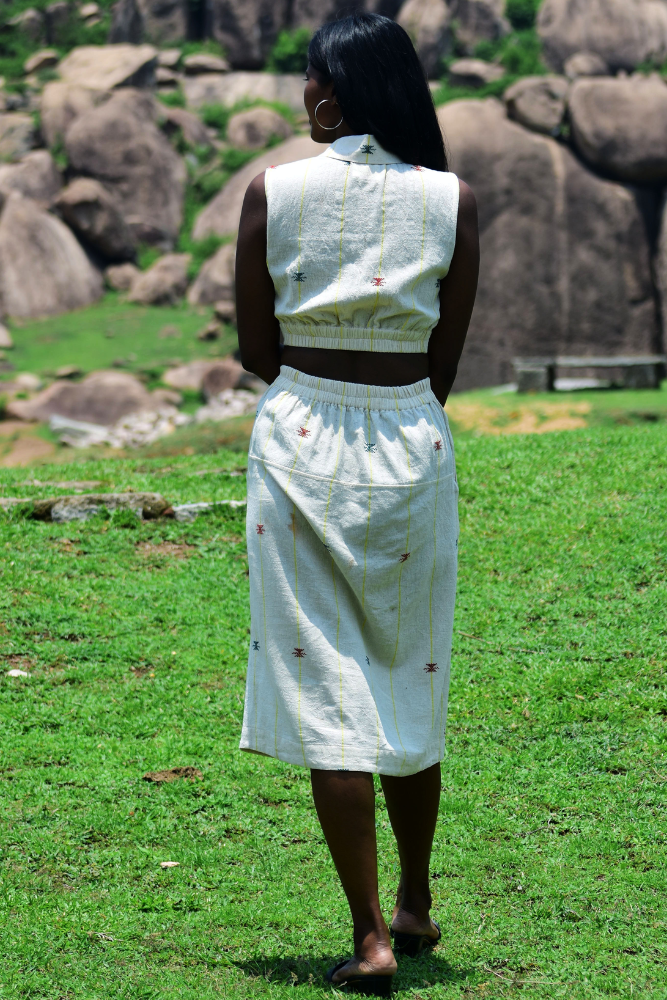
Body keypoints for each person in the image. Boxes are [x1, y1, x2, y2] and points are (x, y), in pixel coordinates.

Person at [234, 12, 479, 995]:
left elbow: (256, 350)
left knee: (324, 679)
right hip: (411, 434)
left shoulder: (274, 192)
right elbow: (446, 357)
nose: (301, 96)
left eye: (307, 81)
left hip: (298, 437)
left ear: (332, 97)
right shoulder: (454, 199)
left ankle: (369, 934)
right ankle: (418, 897)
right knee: (406, 667)